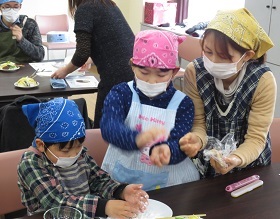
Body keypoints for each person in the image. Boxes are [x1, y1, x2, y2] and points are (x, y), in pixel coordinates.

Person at [179, 8, 276, 178]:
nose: (214, 61)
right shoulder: (195, 72)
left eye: (225, 56)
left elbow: (256, 138)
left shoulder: (262, 80)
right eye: (208, 52)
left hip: (251, 168)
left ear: (247, 55)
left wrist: (235, 158)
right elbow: (198, 123)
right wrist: (196, 140)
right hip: (209, 164)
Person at [100, 30, 200, 191]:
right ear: (133, 65)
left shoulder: (183, 104)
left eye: (161, 75)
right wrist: (137, 139)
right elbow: (109, 128)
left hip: (168, 184)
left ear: (174, 71)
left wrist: (169, 150)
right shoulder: (121, 93)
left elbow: (181, 142)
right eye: (144, 72)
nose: (152, 81)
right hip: (123, 178)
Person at [17, 98, 148, 219]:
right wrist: (104, 206)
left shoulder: (80, 154)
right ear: (41, 145)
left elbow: (98, 179)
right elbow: (56, 203)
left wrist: (121, 190)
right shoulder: (31, 164)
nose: (74, 155)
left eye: (78, 146)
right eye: (66, 150)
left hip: (84, 214)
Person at [51, 0, 135, 128]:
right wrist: (92, 58)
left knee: (102, 129)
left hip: (116, 77)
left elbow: (82, 52)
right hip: (134, 72)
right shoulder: (108, 4)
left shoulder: (85, 9)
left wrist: (65, 70)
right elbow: (112, 42)